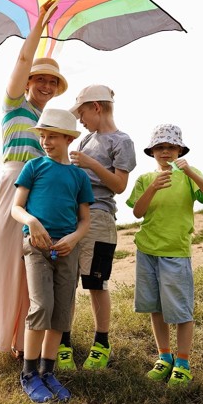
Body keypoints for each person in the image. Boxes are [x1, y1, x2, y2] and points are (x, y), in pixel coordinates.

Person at [0, 0, 68, 371]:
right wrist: (38, 26)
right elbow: (23, 62)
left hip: (38, 189)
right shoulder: (13, 105)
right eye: (40, 78)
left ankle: (19, 341)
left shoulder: (46, 120)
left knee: (29, 266)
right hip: (12, 185)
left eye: (52, 81)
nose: (45, 84)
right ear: (28, 82)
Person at [126, 124, 203, 387]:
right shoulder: (146, 179)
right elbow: (137, 212)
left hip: (175, 253)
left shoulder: (189, 175)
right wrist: (153, 187)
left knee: (180, 309)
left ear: (179, 149)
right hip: (147, 250)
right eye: (160, 147)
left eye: (170, 147)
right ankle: (164, 356)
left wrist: (190, 171)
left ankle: (183, 361)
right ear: (152, 151)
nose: (165, 151)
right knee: (155, 307)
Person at [11, 108, 94, 403]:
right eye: (43, 135)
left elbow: (85, 220)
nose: (46, 141)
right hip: (36, 247)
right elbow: (16, 208)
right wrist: (31, 222)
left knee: (62, 313)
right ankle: (29, 373)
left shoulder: (78, 176)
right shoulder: (33, 167)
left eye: (53, 136)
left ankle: (48, 372)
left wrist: (73, 239)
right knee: (42, 306)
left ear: (69, 138)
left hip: (67, 250)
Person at [57, 84, 136, 371]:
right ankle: (63, 342)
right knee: (66, 282)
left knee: (95, 282)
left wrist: (90, 163)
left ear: (97, 107)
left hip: (101, 217)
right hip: (72, 217)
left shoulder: (121, 141)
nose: (79, 119)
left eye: (82, 112)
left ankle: (101, 342)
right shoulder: (85, 139)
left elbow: (119, 185)